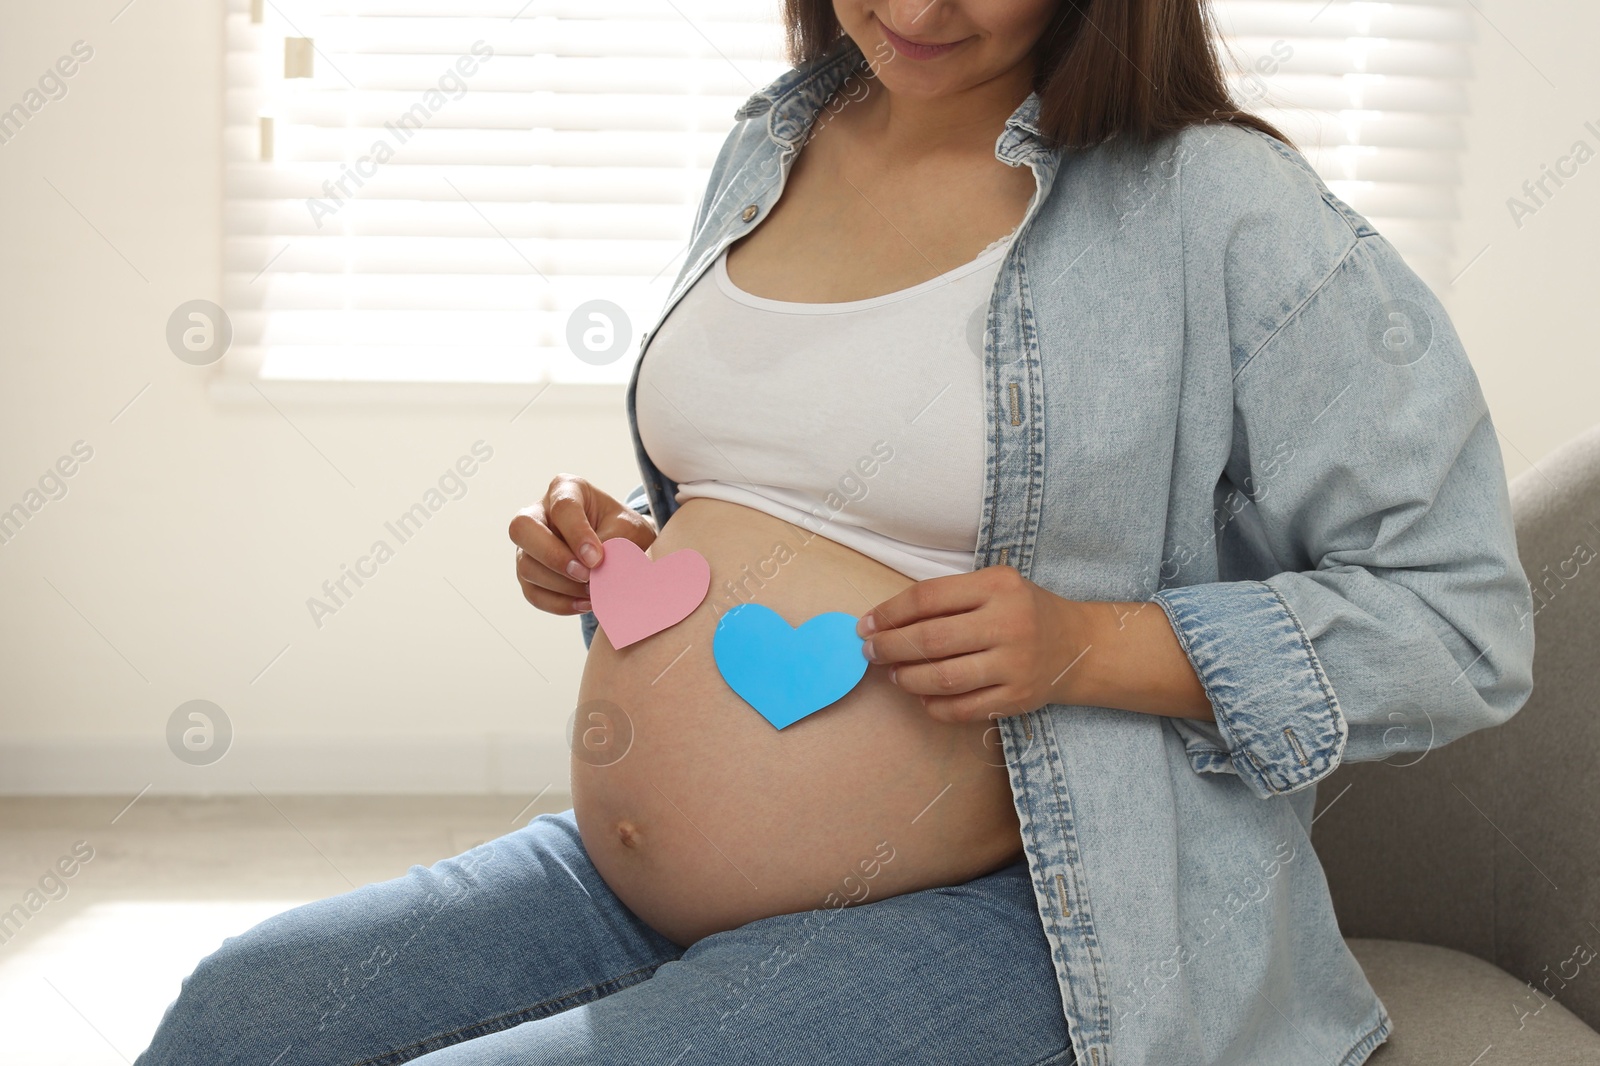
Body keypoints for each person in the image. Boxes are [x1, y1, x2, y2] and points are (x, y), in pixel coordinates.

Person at [136, 1, 1535, 1063]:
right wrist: (616, 558)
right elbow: (765, 508)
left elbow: (1459, 618)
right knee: (236, 1013)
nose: (917, 7)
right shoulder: (774, 139)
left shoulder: (1221, 209)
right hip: (628, 876)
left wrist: (1090, 645)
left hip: (1047, 903)